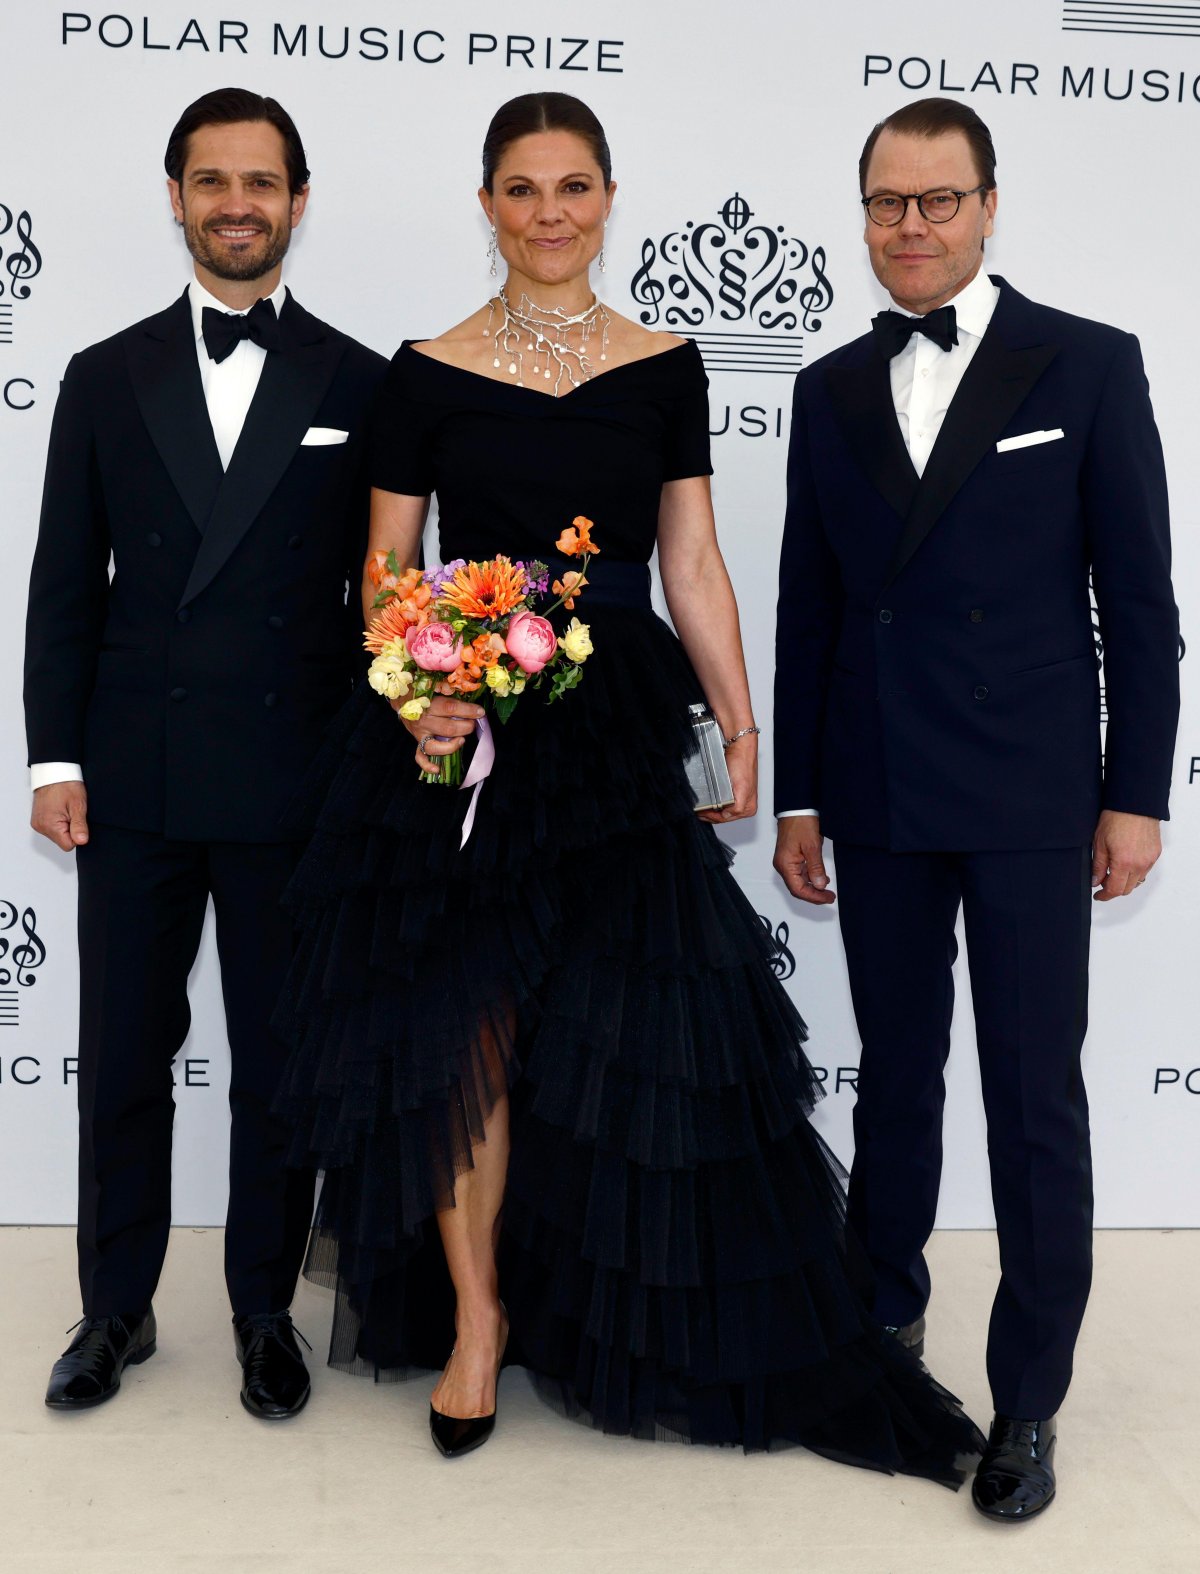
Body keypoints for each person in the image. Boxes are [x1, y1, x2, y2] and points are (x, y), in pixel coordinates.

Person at [275, 90, 985, 1481]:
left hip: (616, 732)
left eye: (574, 187)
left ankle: (619, 1308)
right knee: (467, 1041)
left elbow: (691, 560)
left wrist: (740, 719)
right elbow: (384, 568)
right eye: (523, 188)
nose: (550, 213)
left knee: (633, 1030)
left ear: (609, 200)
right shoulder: (423, 371)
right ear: (487, 204)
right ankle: (476, 1319)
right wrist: (421, 695)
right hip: (467, 735)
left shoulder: (667, 365)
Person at [773, 97, 1178, 1520]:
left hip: (1030, 794)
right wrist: (802, 794)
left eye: (938, 200)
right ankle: (883, 1330)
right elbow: (810, 608)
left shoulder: (1089, 360)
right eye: (888, 203)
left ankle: (1028, 1399)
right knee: (896, 1076)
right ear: (864, 216)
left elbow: (1140, 603)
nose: (913, 227)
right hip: (877, 784)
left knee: (1031, 1095)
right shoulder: (829, 387)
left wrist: (1137, 794)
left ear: (990, 206)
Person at [24, 87, 387, 1418]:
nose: (239, 203)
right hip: (135, 773)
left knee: (280, 1069)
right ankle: (114, 1307)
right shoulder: (103, 373)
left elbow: (383, 597)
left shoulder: (360, 380)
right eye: (213, 180)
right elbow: (65, 584)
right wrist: (52, 762)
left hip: (297, 776)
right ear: (175, 197)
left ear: (299, 200)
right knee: (125, 1053)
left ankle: (262, 1311)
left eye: (262, 181)